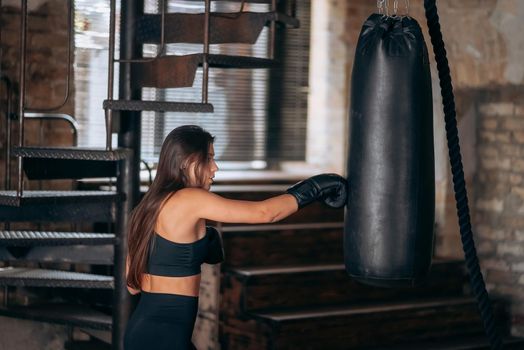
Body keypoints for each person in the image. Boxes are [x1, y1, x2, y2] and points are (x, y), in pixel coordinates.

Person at [123, 125, 347, 350]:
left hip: (144, 330)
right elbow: (264, 213)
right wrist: (313, 188)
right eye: (208, 158)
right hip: (165, 338)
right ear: (186, 161)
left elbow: (132, 286)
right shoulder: (190, 198)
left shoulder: (146, 207)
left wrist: (174, 258)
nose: (214, 167)